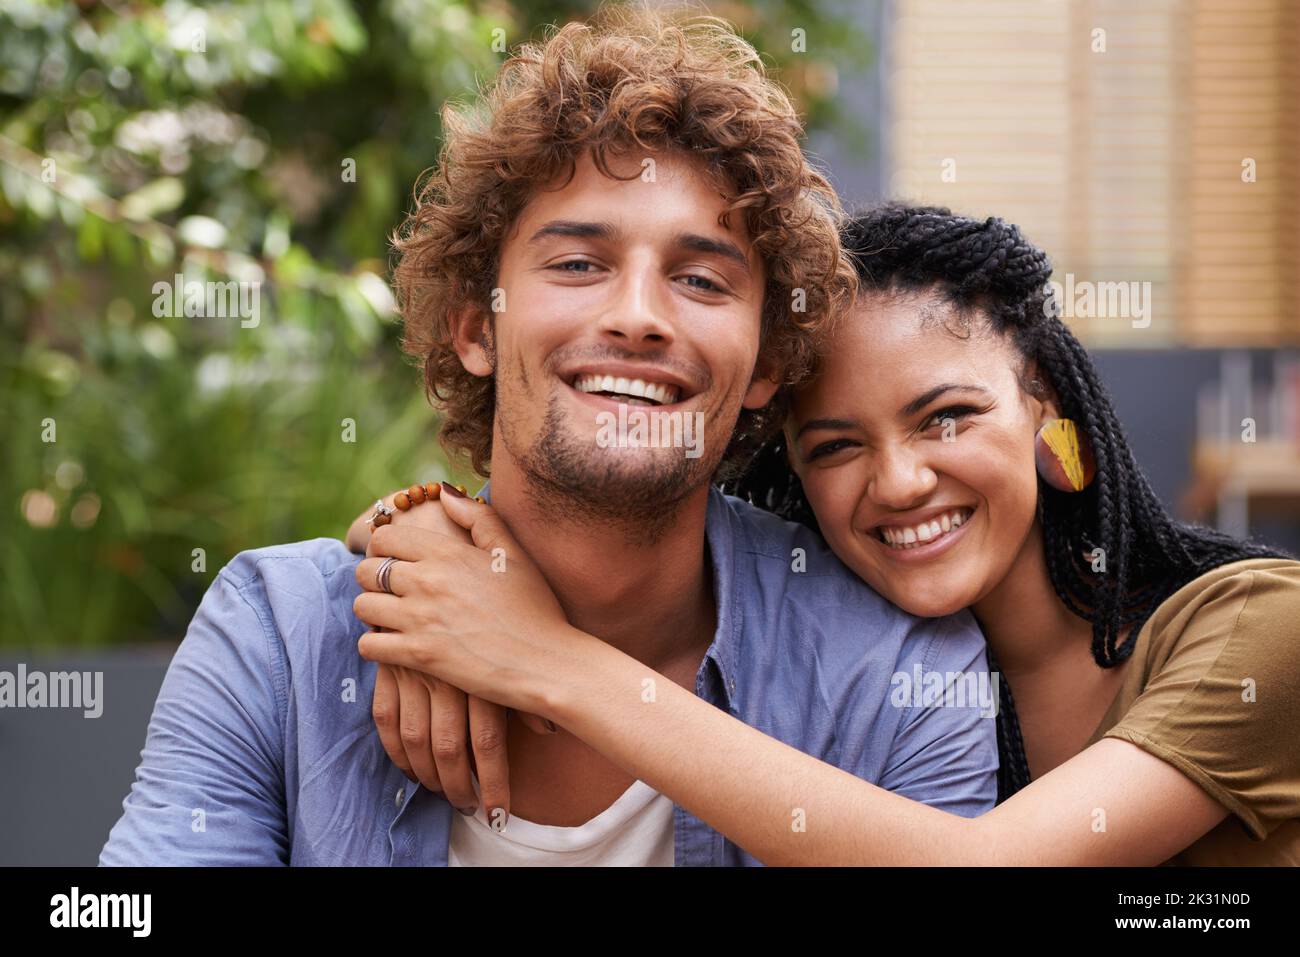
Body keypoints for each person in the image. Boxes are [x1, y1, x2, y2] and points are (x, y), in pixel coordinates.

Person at [100, 9, 997, 867]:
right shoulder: (283, 642)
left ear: (766, 362)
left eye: (700, 278)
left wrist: (546, 662)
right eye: (577, 264)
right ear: (474, 327)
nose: (639, 316)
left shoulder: (893, 673)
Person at [349, 204, 1300, 865]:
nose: (898, 480)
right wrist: (435, 548)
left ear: (1044, 408)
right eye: (837, 445)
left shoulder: (1257, 629)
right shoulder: (883, 684)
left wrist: (542, 657)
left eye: (946, 417)